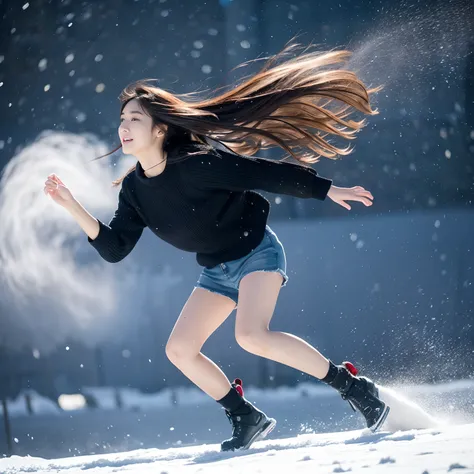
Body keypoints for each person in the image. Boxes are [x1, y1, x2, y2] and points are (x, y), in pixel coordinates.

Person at [44, 41, 390, 451]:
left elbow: (263, 173)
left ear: (160, 129)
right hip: (217, 270)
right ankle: (245, 416)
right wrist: (71, 206)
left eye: (135, 118)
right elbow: (116, 247)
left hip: (258, 252)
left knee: (251, 335)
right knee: (180, 349)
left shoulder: (198, 164)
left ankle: (353, 387)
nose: (124, 125)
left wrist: (326, 189)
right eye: (122, 118)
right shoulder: (135, 190)